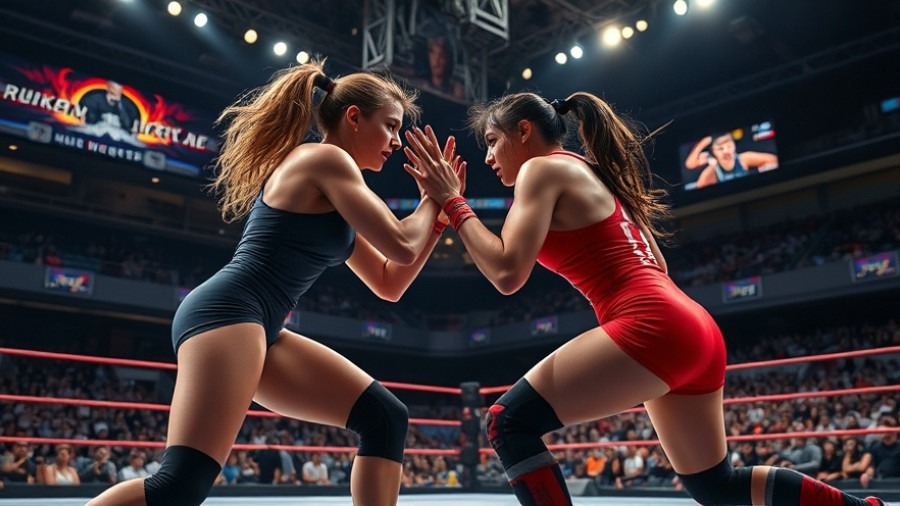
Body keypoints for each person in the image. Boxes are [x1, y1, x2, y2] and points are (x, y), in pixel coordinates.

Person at [403, 91, 886, 505]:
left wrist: (453, 201)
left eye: (492, 141)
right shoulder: (594, 173)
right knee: (717, 487)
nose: (488, 158)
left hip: (652, 322)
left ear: (524, 131)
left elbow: (507, 273)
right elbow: (656, 262)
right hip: (691, 325)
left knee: (507, 422)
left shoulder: (540, 171)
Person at [87, 60, 461, 506]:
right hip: (228, 313)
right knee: (178, 486)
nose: (397, 142)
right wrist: (435, 196)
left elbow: (389, 281)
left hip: (259, 324)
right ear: (354, 118)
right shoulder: (325, 159)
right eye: (391, 126)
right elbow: (401, 243)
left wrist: (436, 221)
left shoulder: (337, 189)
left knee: (384, 417)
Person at [684, 131, 778, 188]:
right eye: (720, 149)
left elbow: (773, 160)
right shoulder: (711, 172)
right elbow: (690, 165)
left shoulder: (744, 158)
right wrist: (702, 143)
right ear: (714, 153)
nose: (726, 151)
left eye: (729, 147)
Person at [413, 36, 465, 101]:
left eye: (441, 55)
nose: (436, 61)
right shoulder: (419, 85)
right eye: (433, 54)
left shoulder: (456, 91)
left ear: (448, 60)